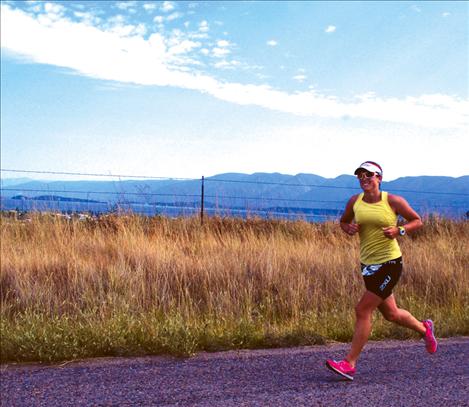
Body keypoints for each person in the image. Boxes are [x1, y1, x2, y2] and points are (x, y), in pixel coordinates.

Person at [325, 161, 437, 381]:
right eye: (360, 176)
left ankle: (349, 363)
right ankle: (425, 329)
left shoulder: (392, 201)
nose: (364, 179)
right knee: (391, 314)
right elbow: (344, 221)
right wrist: (348, 228)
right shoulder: (354, 202)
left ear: (379, 178)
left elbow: (417, 221)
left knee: (362, 310)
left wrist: (399, 230)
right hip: (367, 265)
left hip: (390, 264)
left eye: (369, 175)